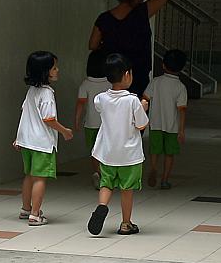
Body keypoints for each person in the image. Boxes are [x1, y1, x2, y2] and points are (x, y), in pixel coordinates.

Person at [87, 54, 150, 237]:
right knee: (126, 189)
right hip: (129, 155)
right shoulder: (132, 100)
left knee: (106, 184)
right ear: (127, 74)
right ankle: (125, 224)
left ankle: (101, 206)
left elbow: (102, 109)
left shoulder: (100, 98)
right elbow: (141, 125)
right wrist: (143, 107)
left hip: (107, 153)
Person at [90, 0, 171, 95]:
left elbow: (93, 45)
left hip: (112, 75)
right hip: (138, 75)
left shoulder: (104, 18)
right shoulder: (142, 12)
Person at [14, 51, 73, 226]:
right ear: (44, 71)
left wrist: (18, 137)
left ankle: (26, 209)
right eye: (54, 68)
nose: (57, 70)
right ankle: (35, 214)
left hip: (26, 141)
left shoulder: (31, 91)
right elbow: (49, 119)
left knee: (29, 175)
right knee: (40, 178)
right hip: (41, 143)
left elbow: (25, 113)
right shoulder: (47, 93)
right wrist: (64, 131)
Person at [144, 49, 190, 190]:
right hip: (172, 127)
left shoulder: (155, 82)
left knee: (154, 150)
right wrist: (181, 130)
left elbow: (145, 99)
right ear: (181, 68)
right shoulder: (181, 87)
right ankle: (164, 180)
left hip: (155, 124)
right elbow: (182, 110)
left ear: (163, 65)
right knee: (169, 154)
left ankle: (153, 167)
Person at [74, 49, 112, 189]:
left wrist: (77, 121)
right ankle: (106, 175)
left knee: (94, 151)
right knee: (107, 150)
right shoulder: (110, 83)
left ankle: (97, 172)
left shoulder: (86, 84)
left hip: (90, 123)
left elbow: (80, 104)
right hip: (108, 125)